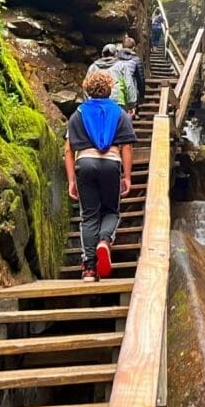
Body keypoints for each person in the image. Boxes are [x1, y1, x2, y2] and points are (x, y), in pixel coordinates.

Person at [64, 70, 137, 280]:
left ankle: (89, 268)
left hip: (84, 163)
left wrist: (71, 180)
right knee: (111, 211)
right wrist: (127, 177)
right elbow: (127, 148)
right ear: (109, 89)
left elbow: (68, 150)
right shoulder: (120, 114)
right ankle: (104, 241)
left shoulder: (77, 114)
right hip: (111, 164)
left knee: (88, 216)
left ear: (87, 89)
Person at [87, 44, 136, 110]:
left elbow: (86, 86)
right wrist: (131, 103)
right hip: (117, 102)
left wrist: (88, 101)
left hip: (96, 103)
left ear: (102, 54)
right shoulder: (121, 66)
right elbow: (128, 84)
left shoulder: (93, 67)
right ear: (115, 54)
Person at [118, 35, 146, 109]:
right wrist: (142, 95)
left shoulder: (116, 59)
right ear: (134, 47)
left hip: (117, 93)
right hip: (132, 93)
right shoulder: (136, 60)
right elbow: (140, 80)